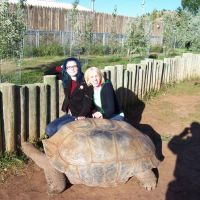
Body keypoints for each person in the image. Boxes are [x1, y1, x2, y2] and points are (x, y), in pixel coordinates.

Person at [45, 57, 93, 137]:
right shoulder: (66, 79)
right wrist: (61, 67)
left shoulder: (86, 81)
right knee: (49, 129)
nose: (72, 69)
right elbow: (46, 73)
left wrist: (82, 115)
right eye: (69, 67)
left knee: (61, 128)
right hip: (70, 114)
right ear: (66, 69)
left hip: (81, 115)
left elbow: (88, 101)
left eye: (74, 66)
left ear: (78, 67)